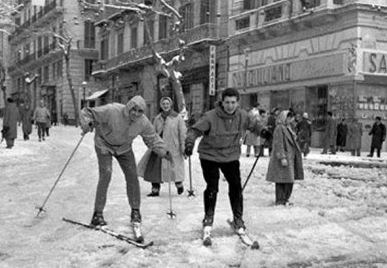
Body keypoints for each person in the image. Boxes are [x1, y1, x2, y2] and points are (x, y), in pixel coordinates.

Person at [80, 95, 171, 242]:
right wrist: (87, 122)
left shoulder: (142, 122)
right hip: (104, 143)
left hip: (124, 148)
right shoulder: (112, 110)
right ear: (128, 107)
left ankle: (135, 211)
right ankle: (97, 214)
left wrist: (164, 151)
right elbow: (87, 112)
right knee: (106, 174)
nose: (136, 113)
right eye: (133, 109)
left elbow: (152, 138)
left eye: (140, 111)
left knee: (132, 176)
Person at [184, 87, 264, 239]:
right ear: (222, 102)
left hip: (230, 155)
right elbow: (194, 131)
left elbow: (254, 125)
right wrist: (189, 143)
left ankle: (238, 219)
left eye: (233, 102)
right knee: (212, 187)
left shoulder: (242, 115)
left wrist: (264, 131)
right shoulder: (210, 117)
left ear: (237, 102)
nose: (230, 106)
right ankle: (208, 218)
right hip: (210, 155)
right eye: (227, 102)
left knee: (235, 186)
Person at [138, 96, 187, 197]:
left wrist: (183, 146)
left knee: (175, 168)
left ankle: (179, 185)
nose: (165, 106)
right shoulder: (157, 118)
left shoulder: (177, 118)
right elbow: (153, 132)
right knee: (154, 168)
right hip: (159, 146)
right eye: (164, 104)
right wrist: (152, 143)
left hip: (173, 146)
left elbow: (182, 133)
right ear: (161, 105)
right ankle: (155, 189)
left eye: (167, 104)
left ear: (170, 105)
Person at [266, 110, 304, 205]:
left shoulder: (288, 128)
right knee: (282, 180)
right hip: (284, 158)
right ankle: (281, 199)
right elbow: (279, 143)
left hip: (290, 157)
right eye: (288, 117)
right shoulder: (279, 128)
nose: (290, 119)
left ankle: (285, 199)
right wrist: (282, 157)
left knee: (288, 180)